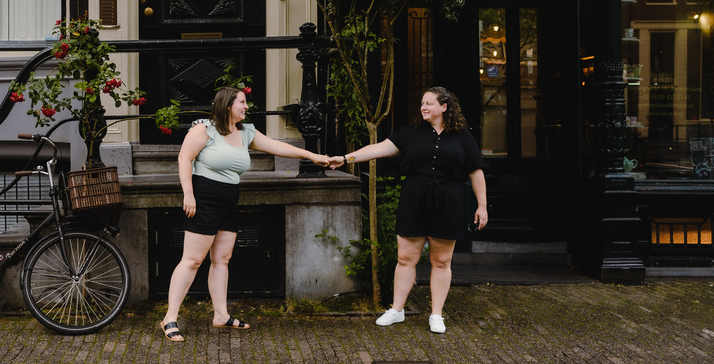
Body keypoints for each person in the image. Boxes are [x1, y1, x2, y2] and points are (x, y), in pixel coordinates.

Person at [159, 86, 331, 342]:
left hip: (229, 201)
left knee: (222, 259)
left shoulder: (246, 132)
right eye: (242, 102)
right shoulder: (204, 129)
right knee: (192, 260)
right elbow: (184, 158)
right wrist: (188, 194)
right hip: (204, 198)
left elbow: (277, 147)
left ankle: (221, 315)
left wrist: (311, 156)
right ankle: (170, 318)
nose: (246, 106)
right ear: (228, 104)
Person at [329, 86, 487, 334]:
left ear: (444, 107)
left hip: (449, 202)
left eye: (429, 103)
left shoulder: (463, 137)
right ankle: (397, 310)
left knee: (442, 261)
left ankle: (436, 314)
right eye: (422, 103)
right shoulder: (410, 134)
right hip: (414, 199)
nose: (423, 107)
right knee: (406, 258)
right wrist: (346, 158)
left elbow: (476, 171)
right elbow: (378, 149)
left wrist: (482, 205)